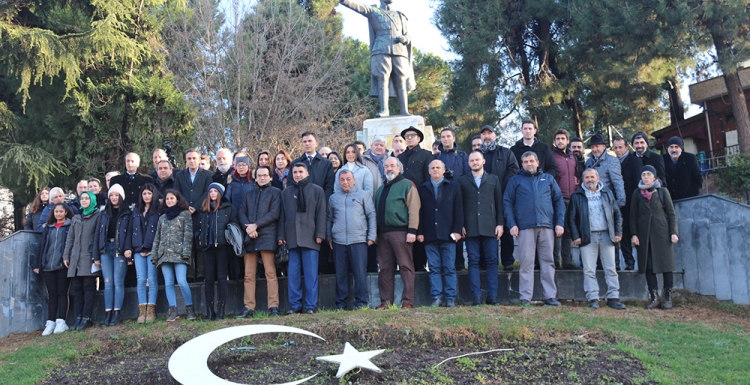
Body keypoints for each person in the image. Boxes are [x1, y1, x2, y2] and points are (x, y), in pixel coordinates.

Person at [504, 152, 565, 307]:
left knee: (548, 261)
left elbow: (558, 201)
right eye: (525, 161)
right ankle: (525, 297)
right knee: (526, 262)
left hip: (547, 226)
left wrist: (559, 223)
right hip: (525, 227)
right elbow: (507, 203)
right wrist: (512, 224)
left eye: (531, 161)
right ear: (521, 164)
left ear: (537, 162)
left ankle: (550, 296)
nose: (528, 164)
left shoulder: (548, 179)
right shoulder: (515, 180)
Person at [339, 0, 416, 117]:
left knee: (401, 79)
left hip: (399, 50)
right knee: (382, 78)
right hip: (381, 48)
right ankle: (384, 110)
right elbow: (358, 6)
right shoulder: (373, 11)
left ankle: (404, 110)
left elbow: (408, 35)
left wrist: (405, 38)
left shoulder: (400, 15)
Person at [567, 169, 626, 310]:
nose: (590, 180)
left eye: (592, 177)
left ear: (598, 178)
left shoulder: (607, 193)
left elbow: (617, 214)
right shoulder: (577, 196)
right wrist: (576, 236)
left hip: (607, 235)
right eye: (586, 177)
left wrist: (618, 232)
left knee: (611, 268)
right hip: (588, 237)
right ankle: (593, 298)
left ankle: (613, 298)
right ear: (583, 180)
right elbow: (571, 218)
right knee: (588, 269)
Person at [278, 163, 327, 314]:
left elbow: (321, 214)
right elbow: (282, 216)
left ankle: (311, 305)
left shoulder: (317, 190)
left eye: (300, 171)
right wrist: (281, 235)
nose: (298, 174)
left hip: (311, 237)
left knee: (311, 274)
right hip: (292, 238)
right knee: (293, 274)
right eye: (295, 172)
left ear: (307, 173)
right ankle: (295, 305)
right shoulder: (286, 193)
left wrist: (320, 234)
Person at [374, 157, 420, 309]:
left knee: (405, 266)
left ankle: (407, 301)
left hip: (401, 232)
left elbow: (414, 209)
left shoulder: (407, 185)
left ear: (399, 168)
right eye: (386, 166)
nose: (389, 168)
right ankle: (385, 302)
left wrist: (412, 230)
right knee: (385, 268)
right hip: (382, 235)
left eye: (392, 165)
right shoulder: (380, 189)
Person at [327, 169, 377, 310]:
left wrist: (371, 236)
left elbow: (371, 215)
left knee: (360, 273)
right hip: (339, 241)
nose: (345, 182)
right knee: (340, 274)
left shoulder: (363, 195)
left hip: (359, 240)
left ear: (354, 180)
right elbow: (329, 218)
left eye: (348, 179)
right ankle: (341, 304)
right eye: (342, 180)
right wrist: (329, 237)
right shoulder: (333, 198)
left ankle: (361, 303)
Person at [631, 165, 679, 310]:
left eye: (648, 174)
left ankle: (668, 298)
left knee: (666, 266)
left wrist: (674, 232)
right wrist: (634, 234)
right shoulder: (637, 193)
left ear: (654, 177)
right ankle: (654, 298)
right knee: (649, 266)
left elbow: (671, 214)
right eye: (643, 174)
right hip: (644, 236)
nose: (645, 177)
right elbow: (633, 216)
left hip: (662, 234)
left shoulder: (663, 192)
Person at [459, 152, 504, 305]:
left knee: (492, 261)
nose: (475, 162)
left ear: (483, 161)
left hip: (490, 227)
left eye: (477, 159)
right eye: (471, 160)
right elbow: (460, 206)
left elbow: (499, 203)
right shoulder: (462, 180)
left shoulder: (493, 179)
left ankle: (492, 296)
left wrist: (500, 224)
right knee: (473, 261)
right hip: (470, 228)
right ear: (468, 163)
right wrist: (461, 225)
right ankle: (476, 297)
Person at [418, 160, 463, 308]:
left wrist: (457, 231)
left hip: (448, 234)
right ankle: (436, 297)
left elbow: (458, 210)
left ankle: (450, 298)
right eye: (433, 168)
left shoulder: (454, 186)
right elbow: (419, 212)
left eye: (438, 167)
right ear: (429, 171)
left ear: (444, 170)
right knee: (434, 267)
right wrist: (420, 232)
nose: (435, 170)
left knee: (449, 267)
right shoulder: (422, 188)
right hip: (430, 234)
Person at [238, 166, 282, 318]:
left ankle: (273, 306)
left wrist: (256, 225)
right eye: (259, 175)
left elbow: (274, 213)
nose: (262, 178)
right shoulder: (248, 194)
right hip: (250, 237)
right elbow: (241, 212)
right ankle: (248, 307)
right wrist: (250, 229)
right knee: (249, 275)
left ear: (270, 177)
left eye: (265, 175)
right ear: (255, 177)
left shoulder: (276, 192)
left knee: (270, 272)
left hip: (267, 235)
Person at [151, 189, 196, 321]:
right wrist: (155, 255)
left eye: (172, 198)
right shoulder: (162, 218)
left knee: (182, 281)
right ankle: (173, 310)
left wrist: (186, 253)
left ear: (177, 199)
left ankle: (190, 309)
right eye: (167, 199)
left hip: (180, 254)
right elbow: (157, 237)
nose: (169, 201)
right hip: (164, 255)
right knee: (168, 282)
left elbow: (188, 235)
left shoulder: (185, 215)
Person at [479, 125, 520, 271]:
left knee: (506, 230)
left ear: (495, 135)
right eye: (483, 134)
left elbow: (514, 170)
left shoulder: (506, 152)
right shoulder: (477, 154)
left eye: (489, 133)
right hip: (483, 199)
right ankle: (487, 262)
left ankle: (508, 261)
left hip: (503, 196)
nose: (487, 136)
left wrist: (500, 186)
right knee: (485, 231)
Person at [198, 183, 239, 320]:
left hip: (222, 247)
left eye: (216, 191)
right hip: (207, 248)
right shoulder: (204, 209)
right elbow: (200, 227)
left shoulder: (228, 208)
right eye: (211, 191)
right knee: (208, 279)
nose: (213, 193)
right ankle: (210, 311)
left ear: (220, 193)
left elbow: (234, 225)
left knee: (222, 278)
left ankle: (221, 310)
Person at [32, 203, 74, 336]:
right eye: (56, 212)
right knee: (52, 295)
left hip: (62, 266)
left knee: (63, 293)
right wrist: (37, 264)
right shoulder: (48, 228)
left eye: (61, 211)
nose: (58, 214)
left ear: (66, 212)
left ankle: (61, 321)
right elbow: (41, 247)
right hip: (48, 266)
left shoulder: (70, 227)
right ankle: (50, 321)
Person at [62, 191, 101, 330]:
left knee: (88, 288)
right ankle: (78, 316)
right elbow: (70, 239)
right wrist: (66, 256)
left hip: (89, 257)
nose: (84, 201)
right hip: (75, 258)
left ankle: (87, 317)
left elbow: (98, 237)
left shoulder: (98, 216)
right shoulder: (76, 218)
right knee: (77, 288)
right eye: (82, 198)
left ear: (92, 200)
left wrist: (97, 256)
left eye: (87, 198)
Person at [95, 184, 132, 326]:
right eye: (111, 195)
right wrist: (96, 254)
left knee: (118, 281)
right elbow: (98, 234)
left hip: (119, 249)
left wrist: (127, 249)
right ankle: (107, 312)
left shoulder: (127, 213)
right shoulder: (103, 214)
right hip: (106, 249)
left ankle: (117, 313)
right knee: (108, 282)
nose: (114, 198)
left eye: (116, 195)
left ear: (121, 197)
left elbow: (129, 233)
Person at [124, 184, 161, 323]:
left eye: (149, 193)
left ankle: (151, 310)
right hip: (138, 250)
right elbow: (129, 230)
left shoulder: (158, 210)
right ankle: (142, 311)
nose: (146, 196)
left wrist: (155, 248)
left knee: (151, 279)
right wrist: (128, 247)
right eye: (144, 193)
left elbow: (159, 231)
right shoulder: (136, 211)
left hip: (152, 250)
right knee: (140, 279)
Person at [175, 148, 213, 281]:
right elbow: (176, 193)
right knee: (187, 244)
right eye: (189, 159)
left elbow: (207, 192)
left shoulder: (207, 175)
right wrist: (185, 207)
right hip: (184, 214)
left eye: (194, 158)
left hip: (201, 214)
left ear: (198, 159)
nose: (192, 161)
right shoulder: (180, 175)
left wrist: (196, 207)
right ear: (186, 161)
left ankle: (201, 273)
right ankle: (190, 274)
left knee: (200, 243)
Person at [551, 129, 579, 269]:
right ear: (554, 141)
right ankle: (555, 261)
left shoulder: (573, 157)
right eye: (558, 139)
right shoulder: (551, 156)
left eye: (563, 138)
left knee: (568, 230)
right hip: (557, 198)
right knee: (557, 230)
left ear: (568, 141)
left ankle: (567, 261)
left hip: (572, 197)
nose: (560, 141)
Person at [613, 137, 642, 270]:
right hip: (620, 205)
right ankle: (629, 262)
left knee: (636, 233)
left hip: (633, 202)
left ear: (627, 148)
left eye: (620, 147)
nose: (618, 150)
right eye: (615, 148)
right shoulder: (613, 162)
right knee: (623, 234)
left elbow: (637, 183)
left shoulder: (635, 161)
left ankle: (641, 263)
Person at [585, 133, 626, 207]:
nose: (594, 149)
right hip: (591, 202)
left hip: (607, 202)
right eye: (592, 147)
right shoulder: (588, 162)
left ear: (604, 147)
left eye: (597, 146)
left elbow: (618, 182)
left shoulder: (612, 161)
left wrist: (620, 202)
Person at [292, 132, 335, 199]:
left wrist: (323, 202)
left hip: (320, 202)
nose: (307, 144)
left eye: (310, 141)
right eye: (304, 141)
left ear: (316, 143)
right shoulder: (295, 163)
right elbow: (291, 185)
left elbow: (329, 186)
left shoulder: (326, 163)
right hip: (300, 203)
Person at [662, 136, 702, 200]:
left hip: (688, 199)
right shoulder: (662, 159)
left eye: (676, 147)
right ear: (667, 148)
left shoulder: (691, 159)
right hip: (668, 201)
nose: (674, 150)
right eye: (671, 147)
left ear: (681, 148)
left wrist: (691, 196)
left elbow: (698, 179)